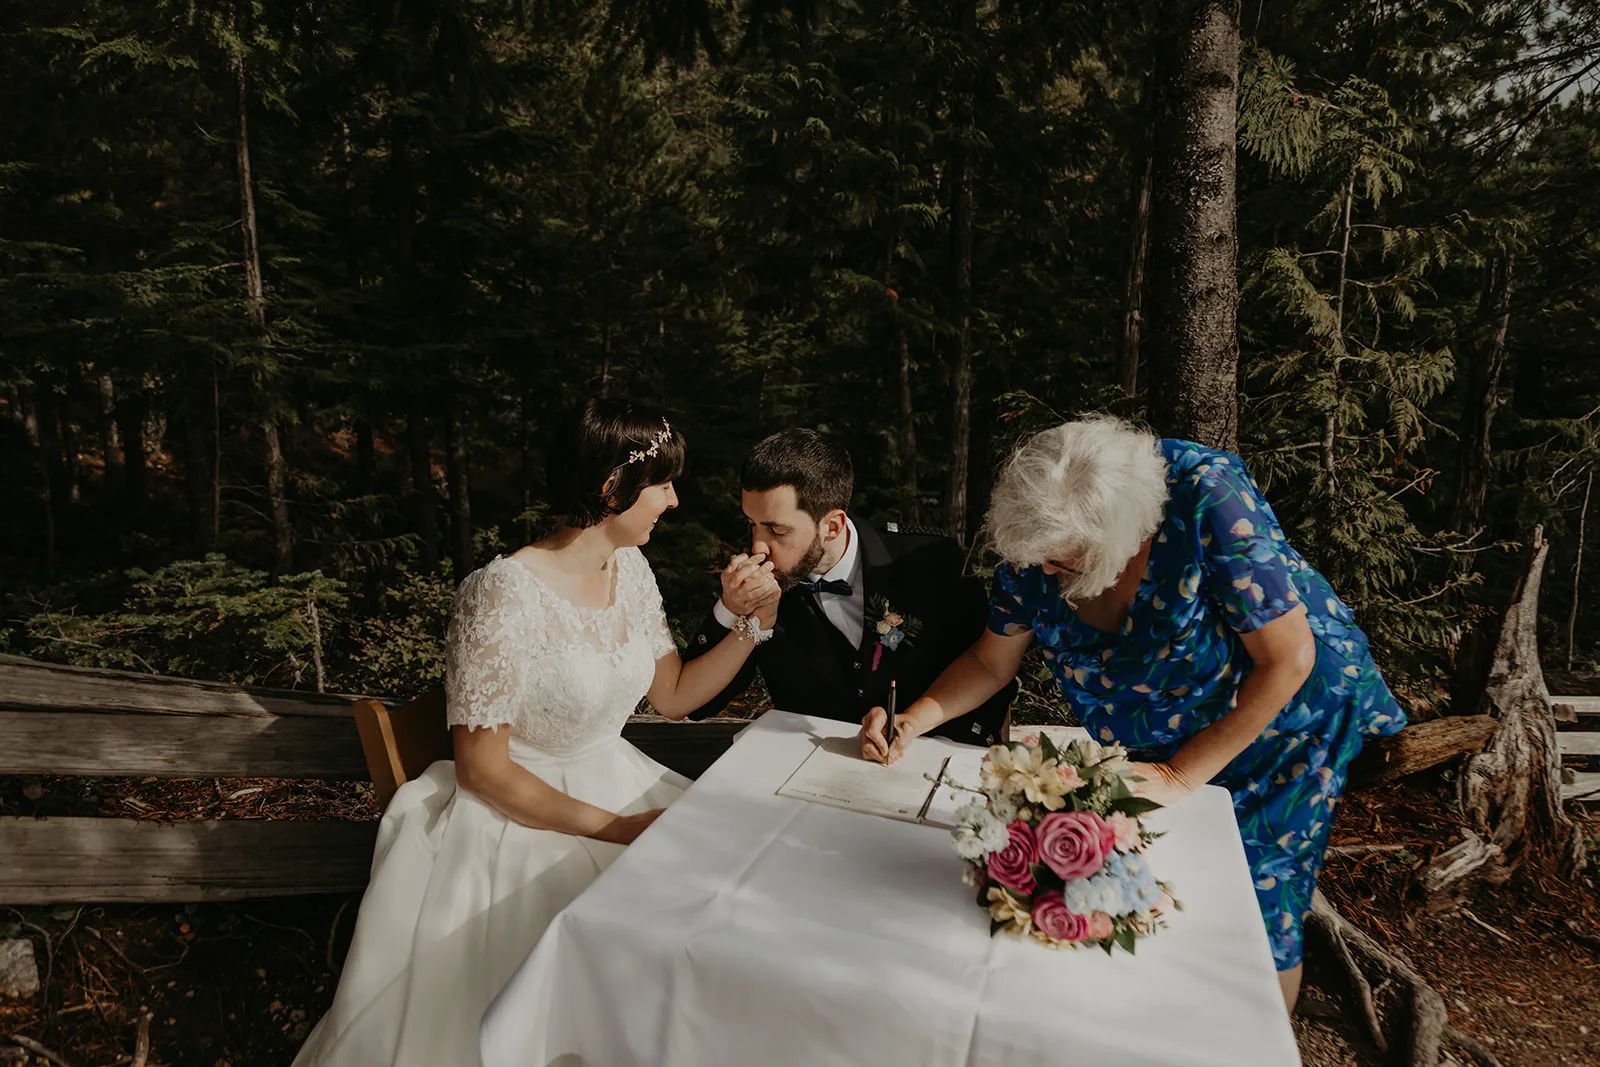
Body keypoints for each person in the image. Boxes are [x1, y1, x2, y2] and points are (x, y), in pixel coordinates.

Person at [860, 415, 1406, 1012]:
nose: (1044, 573)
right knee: (1148, 888)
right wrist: (915, 717)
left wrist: (1180, 775)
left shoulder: (1205, 494)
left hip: (1282, 720)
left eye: (1062, 564)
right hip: (1156, 732)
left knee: (1257, 906)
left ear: (1120, 534)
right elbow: (993, 663)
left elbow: (1288, 657)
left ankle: (1257, 1038)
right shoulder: (1045, 532)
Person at [294, 399, 778, 1067]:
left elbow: (671, 696)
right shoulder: (500, 594)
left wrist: (752, 623)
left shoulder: (630, 570)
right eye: (662, 483)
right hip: (518, 814)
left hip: (615, 774)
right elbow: (483, 769)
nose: (672, 499)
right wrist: (614, 828)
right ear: (613, 489)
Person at [686, 428, 1013, 746]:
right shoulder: (763, 588)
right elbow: (699, 706)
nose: (758, 546)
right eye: (752, 525)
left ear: (832, 526)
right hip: (807, 776)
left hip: (927, 760)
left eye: (777, 530)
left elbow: (988, 673)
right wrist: (730, 609)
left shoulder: (930, 562)